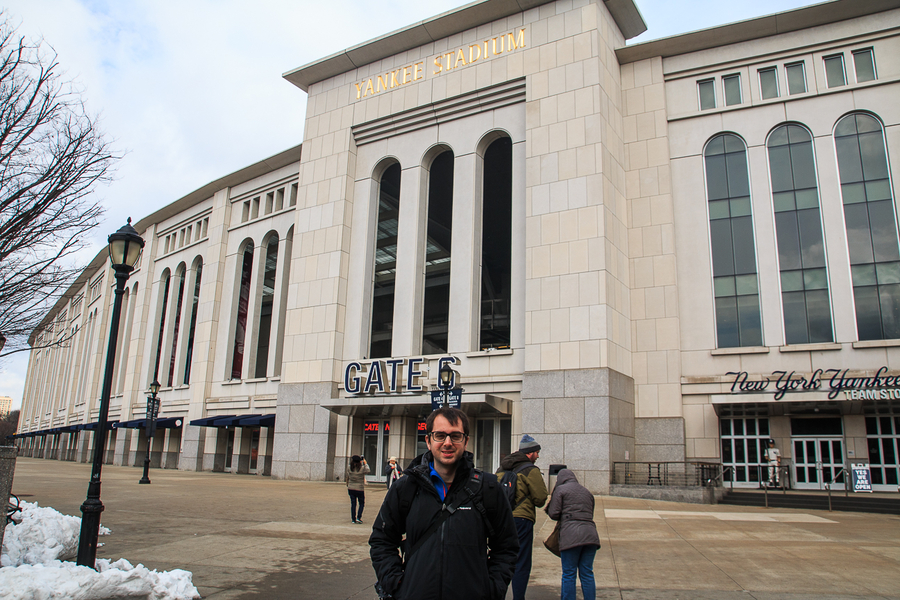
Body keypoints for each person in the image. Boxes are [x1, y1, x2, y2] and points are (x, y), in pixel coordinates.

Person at [369, 407, 519, 600]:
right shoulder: (406, 487)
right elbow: (381, 539)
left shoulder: (488, 489)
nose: (447, 443)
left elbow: (507, 546)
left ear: (466, 441)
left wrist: (491, 588)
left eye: (455, 436)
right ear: (428, 441)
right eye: (440, 435)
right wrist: (397, 584)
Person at [496, 434, 549, 600]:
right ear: (530, 453)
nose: (538, 456)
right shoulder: (530, 470)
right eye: (537, 452)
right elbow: (540, 499)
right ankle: (518, 597)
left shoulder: (501, 468)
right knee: (522, 562)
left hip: (501, 521)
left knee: (502, 559)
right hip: (522, 521)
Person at [546, 469, 601, 600]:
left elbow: (553, 513)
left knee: (569, 574)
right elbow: (589, 513)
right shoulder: (587, 492)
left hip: (571, 536)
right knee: (587, 573)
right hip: (590, 536)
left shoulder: (561, 490)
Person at [347, 454, 369, 524]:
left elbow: (348, 475)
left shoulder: (349, 468)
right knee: (361, 503)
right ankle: (359, 517)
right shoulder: (362, 468)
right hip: (359, 488)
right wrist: (365, 463)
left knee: (353, 504)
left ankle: (353, 519)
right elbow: (368, 470)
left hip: (351, 487)